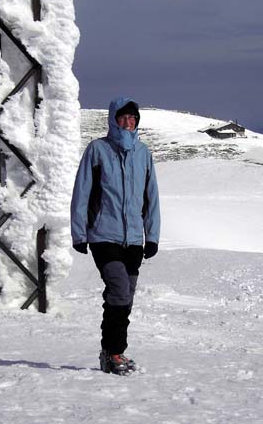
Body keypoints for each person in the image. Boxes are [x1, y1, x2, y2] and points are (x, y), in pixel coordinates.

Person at [70, 97, 160, 375]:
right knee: (120, 290)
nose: (128, 122)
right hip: (103, 235)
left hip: (133, 239)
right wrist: (79, 232)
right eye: (123, 118)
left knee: (124, 296)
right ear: (113, 120)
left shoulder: (143, 153)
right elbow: (82, 192)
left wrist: (152, 235)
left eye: (133, 118)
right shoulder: (98, 150)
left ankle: (110, 352)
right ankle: (114, 353)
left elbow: (151, 196)